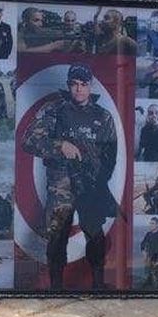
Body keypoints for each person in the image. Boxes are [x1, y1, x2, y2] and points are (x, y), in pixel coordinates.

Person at [21, 64, 118, 290]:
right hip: (61, 187)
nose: (79, 89)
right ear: (68, 85)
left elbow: (110, 157)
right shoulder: (54, 111)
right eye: (74, 84)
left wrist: (99, 184)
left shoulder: (103, 117)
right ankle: (56, 286)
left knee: (95, 234)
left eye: (83, 84)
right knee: (57, 235)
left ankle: (98, 284)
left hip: (90, 186)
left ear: (90, 86)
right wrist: (60, 146)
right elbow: (28, 141)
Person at [140, 217, 158, 289]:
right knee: (147, 274)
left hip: (156, 259)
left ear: (157, 225)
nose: (151, 225)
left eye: (153, 223)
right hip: (148, 258)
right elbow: (142, 244)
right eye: (150, 223)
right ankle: (147, 285)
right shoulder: (148, 234)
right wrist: (143, 252)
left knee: (156, 278)